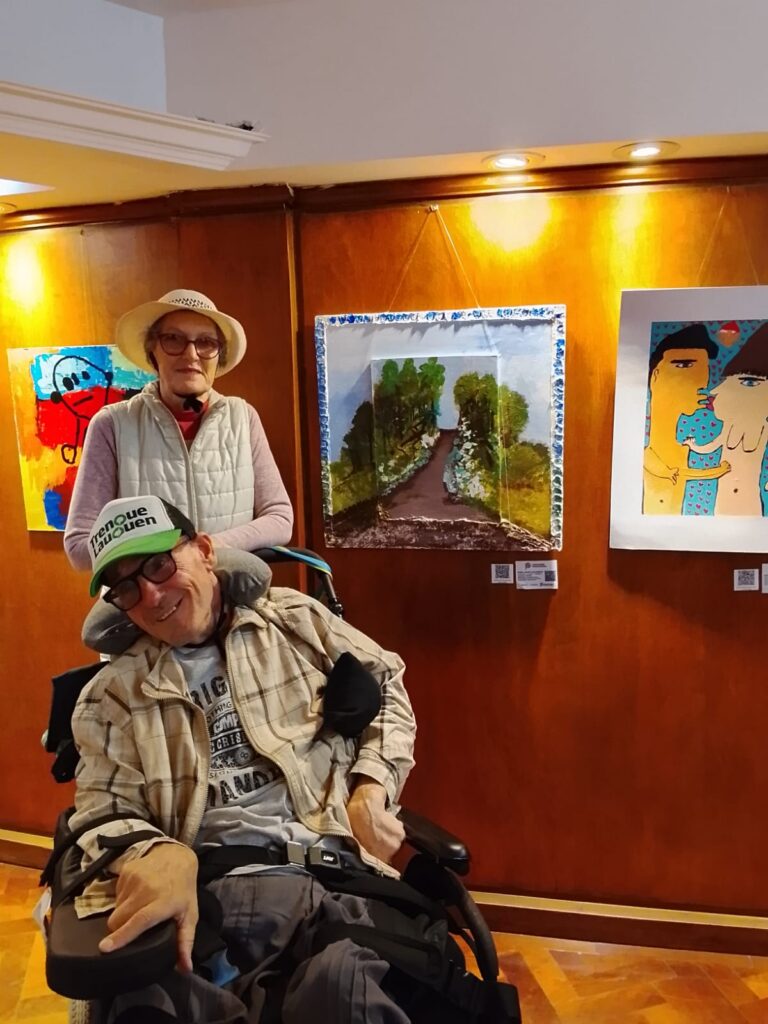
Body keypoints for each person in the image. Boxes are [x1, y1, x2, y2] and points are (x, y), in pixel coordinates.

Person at [69, 494, 416, 1023]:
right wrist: (152, 852)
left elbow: (387, 682)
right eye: (126, 589)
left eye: (159, 564)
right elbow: (101, 808)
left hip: (330, 876)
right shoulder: (110, 696)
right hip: (205, 896)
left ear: (205, 551)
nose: (151, 594)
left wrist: (371, 787)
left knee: (342, 992)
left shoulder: (295, 621)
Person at [63, 289, 293, 571]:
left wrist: (208, 548)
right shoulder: (112, 424)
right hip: (147, 595)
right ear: (152, 351)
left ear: (218, 355)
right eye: (173, 339)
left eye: (206, 342)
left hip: (229, 592)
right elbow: (79, 546)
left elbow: (280, 517)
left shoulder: (243, 418)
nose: (191, 354)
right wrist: (167, 562)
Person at [643, 323, 731, 515]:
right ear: (655, 377)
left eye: (705, 368)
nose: (702, 381)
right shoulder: (648, 457)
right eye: (684, 366)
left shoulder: (683, 448)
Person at [684, 322, 768, 516]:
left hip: (749, 502)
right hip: (723, 500)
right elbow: (712, 445)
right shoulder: (729, 427)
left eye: (750, 382)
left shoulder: (763, 428)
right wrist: (693, 445)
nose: (715, 391)